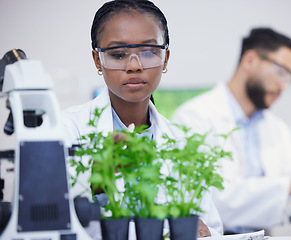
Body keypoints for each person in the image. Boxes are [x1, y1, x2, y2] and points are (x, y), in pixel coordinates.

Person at [172, 27, 291, 234]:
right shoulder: (194, 118)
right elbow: (217, 201)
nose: (284, 86)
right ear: (250, 60)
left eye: (290, 79)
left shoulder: (275, 128)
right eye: (281, 72)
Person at [62, 1, 223, 239]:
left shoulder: (183, 141)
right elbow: (50, 224)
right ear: (98, 61)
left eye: (148, 52)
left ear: (165, 58)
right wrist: (95, 180)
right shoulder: (67, 131)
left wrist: (204, 233)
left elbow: (211, 227)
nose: (134, 66)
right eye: (118, 54)